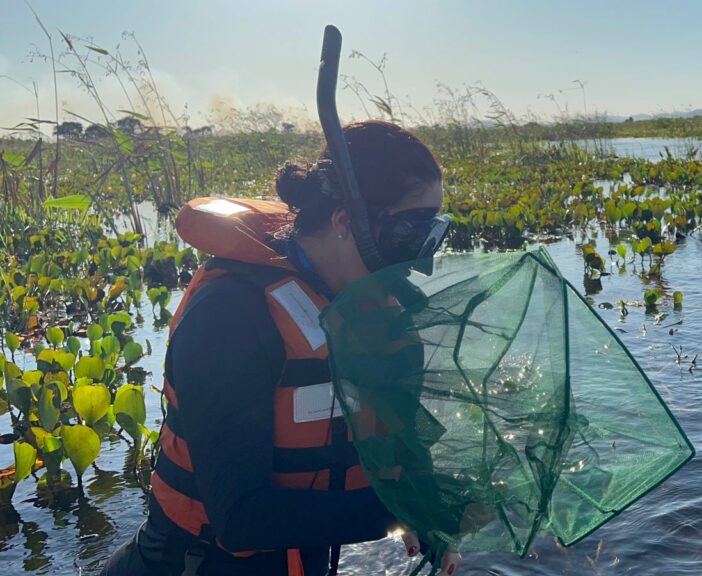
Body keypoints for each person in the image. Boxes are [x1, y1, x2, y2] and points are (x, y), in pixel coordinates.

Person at [103, 120, 459, 576]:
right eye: (412, 232)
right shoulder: (230, 316)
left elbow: (395, 434)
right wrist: (403, 512)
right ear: (346, 222)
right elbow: (240, 518)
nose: (422, 258)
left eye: (435, 231)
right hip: (194, 565)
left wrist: (431, 523)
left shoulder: (360, 305)